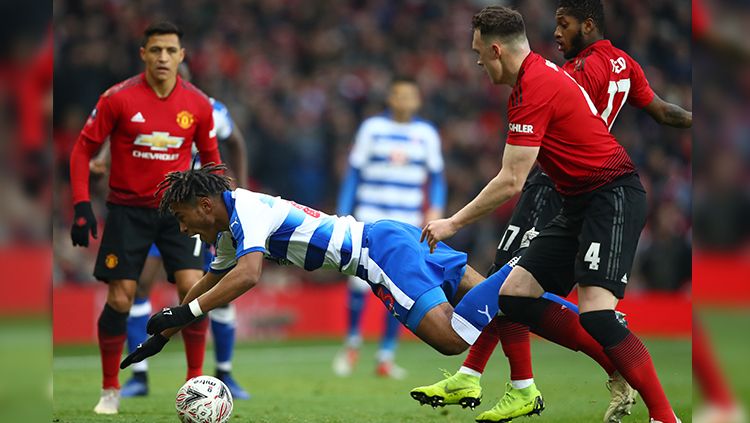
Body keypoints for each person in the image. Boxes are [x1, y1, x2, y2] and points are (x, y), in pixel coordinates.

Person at [412, 1, 693, 422]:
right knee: (513, 293)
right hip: (575, 198)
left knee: (598, 315)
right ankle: (520, 378)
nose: (475, 62)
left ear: (496, 52)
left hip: (609, 196)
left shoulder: (538, 86)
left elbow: (512, 180)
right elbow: (660, 111)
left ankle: (662, 415)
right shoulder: (543, 76)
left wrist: (452, 221)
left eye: (477, 53)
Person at [119, 164, 582, 377]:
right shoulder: (228, 230)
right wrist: (162, 334)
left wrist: (187, 313)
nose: (181, 227)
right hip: (385, 237)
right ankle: (593, 332)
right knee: (502, 304)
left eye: (181, 217)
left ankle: (525, 262)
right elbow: (214, 277)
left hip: (376, 252)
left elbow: (248, 275)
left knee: (449, 339)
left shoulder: (246, 210)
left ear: (204, 204)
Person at [68, 21, 221, 415]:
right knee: (120, 298)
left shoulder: (199, 105)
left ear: (182, 56)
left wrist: (218, 216)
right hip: (127, 213)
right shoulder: (117, 98)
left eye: (171, 50)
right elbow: (82, 150)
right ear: (144, 54)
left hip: (179, 212)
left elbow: (213, 163)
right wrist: (82, 205)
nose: (164, 58)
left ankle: (195, 383)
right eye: (156, 50)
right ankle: (110, 388)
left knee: (194, 291)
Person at [111, 64, 251, 400]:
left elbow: (237, 143)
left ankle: (223, 372)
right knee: (141, 282)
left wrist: (239, 188)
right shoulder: (142, 108)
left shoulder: (209, 109)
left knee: (214, 281)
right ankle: (139, 376)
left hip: (204, 216)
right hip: (158, 212)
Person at [332, 77, 446, 379]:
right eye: (399, 95)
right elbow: (354, 172)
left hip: (407, 220)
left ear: (418, 100)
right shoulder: (372, 129)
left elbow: (436, 178)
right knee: (358, 281)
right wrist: (344, 212)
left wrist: (435, 209)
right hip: (370, 215)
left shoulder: (426, 134)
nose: (404, 101)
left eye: (410, 95)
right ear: (390, 99)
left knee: (400, 284)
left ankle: (386, 355)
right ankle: (352, 344)